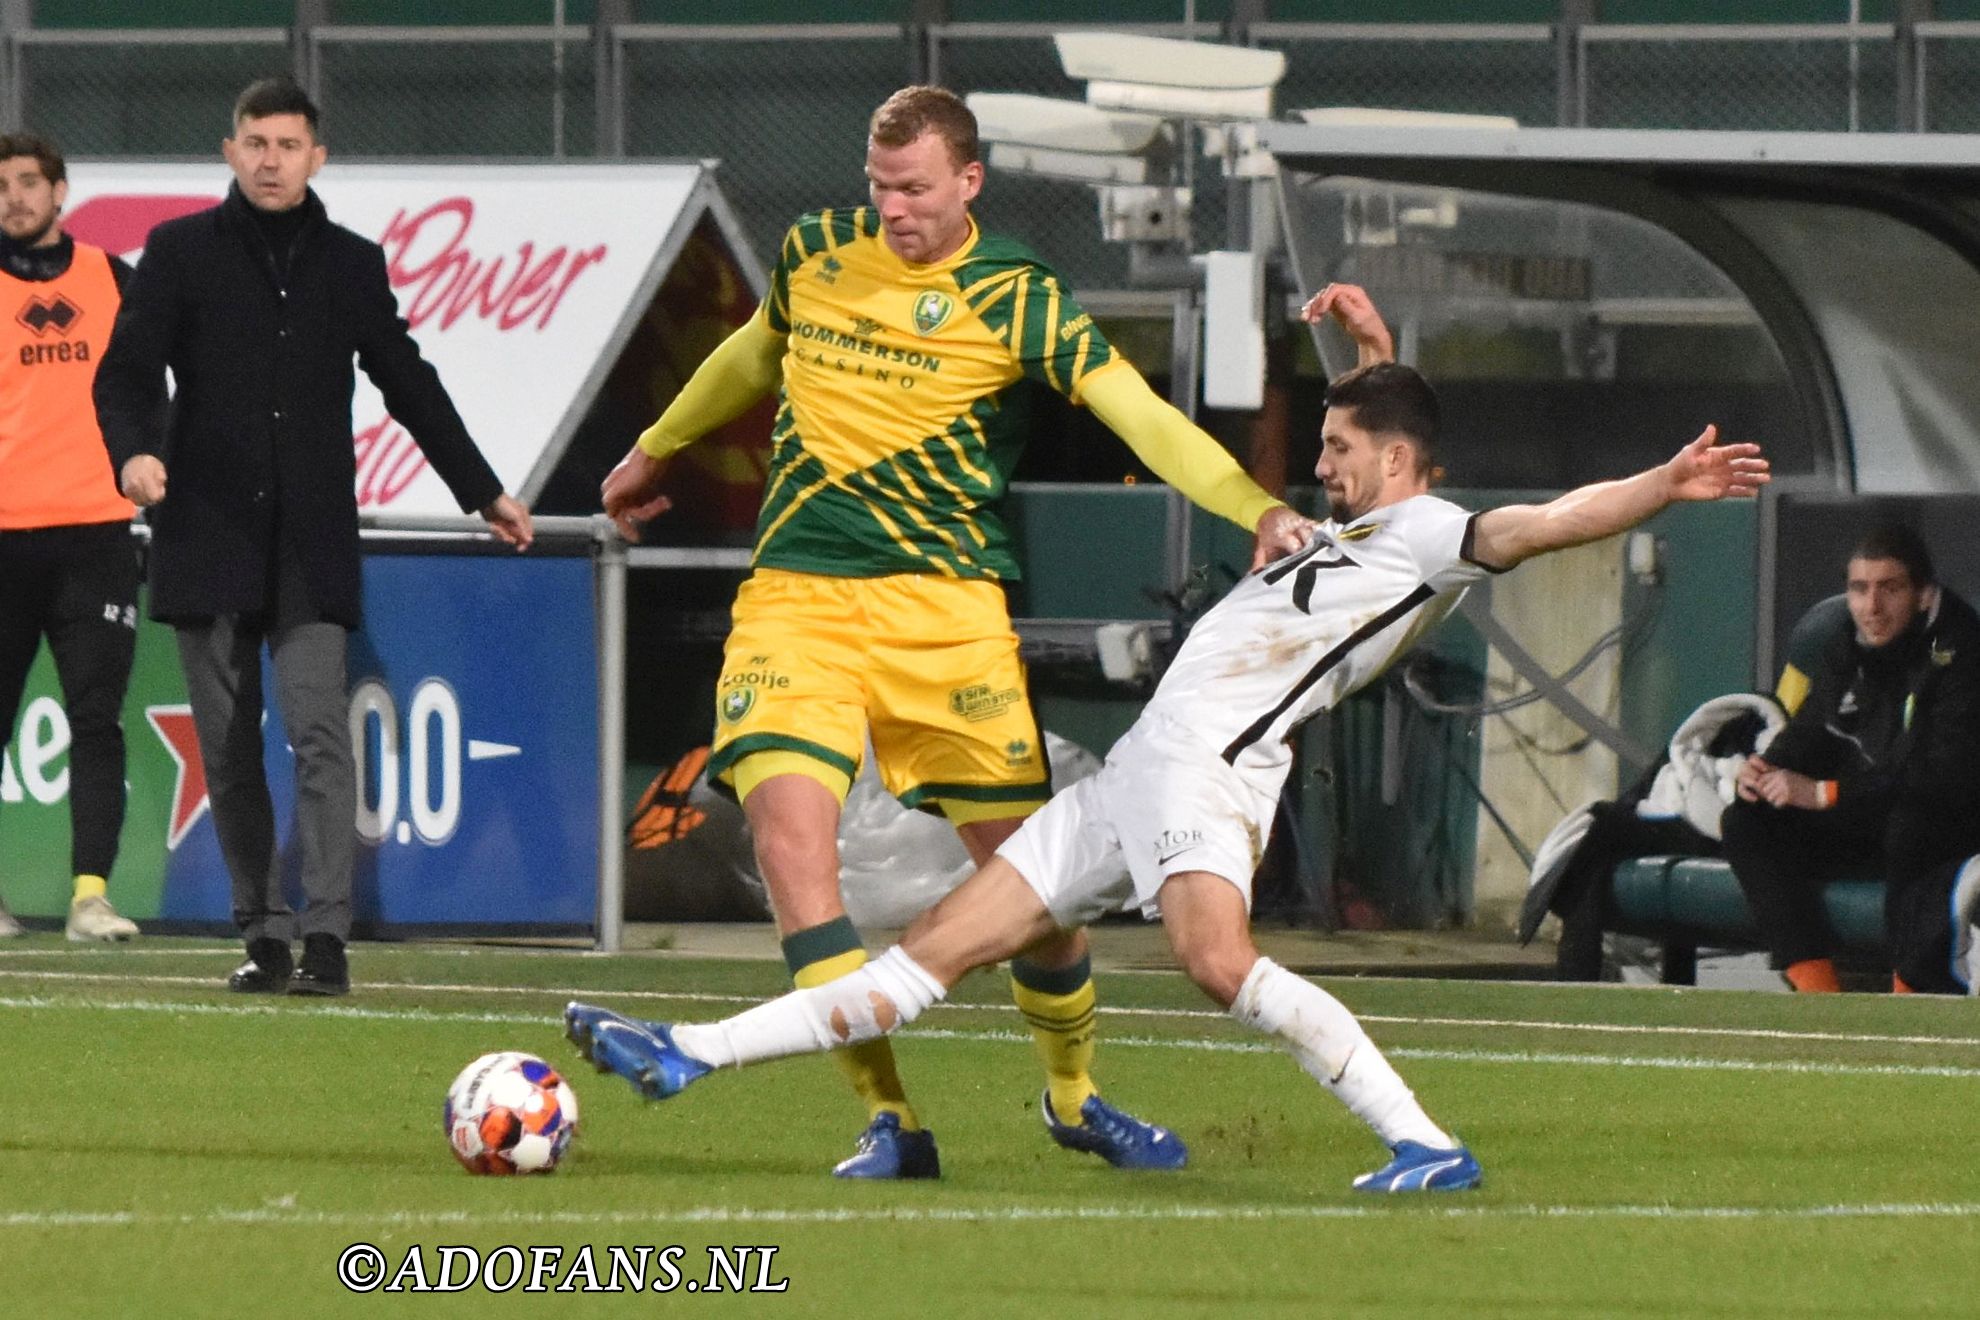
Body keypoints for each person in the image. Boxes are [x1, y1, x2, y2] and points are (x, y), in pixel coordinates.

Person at [565, 288, 1770, 1190]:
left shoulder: (1428, 536)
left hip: (1214, 775)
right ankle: (685, 1053)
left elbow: (1542, 523)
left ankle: (1427, 1144)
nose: (1317, 464)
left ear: (1396, 464)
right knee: (927, 955)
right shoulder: (1369, 513)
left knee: (1214, 963)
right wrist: (1371, 351)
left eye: (1339, 449)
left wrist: (1661, 484)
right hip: (1140, 770)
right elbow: (1392, 418)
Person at [598, 85, 1314, 1180]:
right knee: (795, 850)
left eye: (917, 189)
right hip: (798, 599)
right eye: (880, 187)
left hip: (948, 618)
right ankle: (890, 1120)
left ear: (968, 182)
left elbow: (1141, 416)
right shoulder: (816, 252)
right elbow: (754, 351)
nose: (894, 209)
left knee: (1032, 890)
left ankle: (1073, 1098)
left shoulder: (1018, 295)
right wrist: (657, 443)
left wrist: (1253, 504)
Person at [92, 78, 533, 996]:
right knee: (227, 749)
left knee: (321, 735)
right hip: (204, 531)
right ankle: (263, 934)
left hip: (310, 541)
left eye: (288, 145)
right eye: (255, 142)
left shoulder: (350, 262)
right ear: (229, 149)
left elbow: (407, 379)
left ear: (316, 156)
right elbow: (124, 373)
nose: (269, 159)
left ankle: (326, 938)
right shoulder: (177, 254)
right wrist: (133, 455)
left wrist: (482, 489)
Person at [1722, 524, 1980, 994]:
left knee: (1913, 823)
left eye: (1890, 589)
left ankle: (1911, 991)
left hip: (1947, 821)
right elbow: (1814, 726)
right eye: (1859, 589)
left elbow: (1944, 776)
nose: (1871, 608)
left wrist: (1825, 793)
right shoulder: (1845, 640)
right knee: (1747, 819)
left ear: (1924, 595)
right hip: (1869, 810)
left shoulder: (1963, 650)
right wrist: (1764, 770)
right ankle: (1819, 994)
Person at [0, 133, 143, 943]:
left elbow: (147, 391)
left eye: (29, 182)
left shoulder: (112, 279)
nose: (14, 197)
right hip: (3, 537)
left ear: (60, 191)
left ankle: (90, 897)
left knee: (96, 720)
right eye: (2, 186)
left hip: (95, 535)